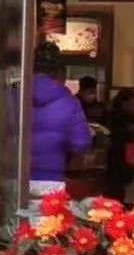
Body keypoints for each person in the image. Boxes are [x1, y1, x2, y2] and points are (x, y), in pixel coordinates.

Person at [30, 40, 94, 198]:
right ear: (60, 72)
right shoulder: (69, 102)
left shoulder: (13, 94)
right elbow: (81, 144)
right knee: (48, 215)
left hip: (14, 177)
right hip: (51, 180)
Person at [105, 88, 134, 203]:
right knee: (126, 183)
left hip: (115, 152)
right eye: (132, 104)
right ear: (124, 102)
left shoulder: (110, 113)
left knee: (116, 185)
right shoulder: (127, 116)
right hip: (125, 151)